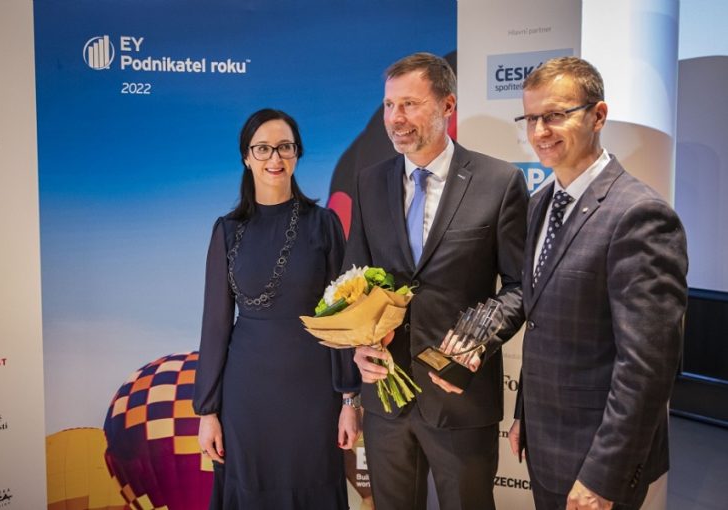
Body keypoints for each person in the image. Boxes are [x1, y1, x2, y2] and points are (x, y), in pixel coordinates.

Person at [343, 52, 528, 510]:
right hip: (386, 397)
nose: (395, 118)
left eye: (409, 104)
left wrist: (475, 341)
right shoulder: (369, 183)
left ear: (448, 106)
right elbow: (355, 283)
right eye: (389, 105)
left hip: (460, 397)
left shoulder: (499, 181)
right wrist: (358, 345)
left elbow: (521, 286)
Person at [507, 56, 688, 510]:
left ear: (598, 115)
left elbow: (647, 367)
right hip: (545, 442)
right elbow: (542, 320)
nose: (540, 131)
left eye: (555, 115)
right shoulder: (540, 203)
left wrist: (604, 476)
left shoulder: (639, 215)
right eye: (531, 118)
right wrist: (525, 413)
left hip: (596, 460)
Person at [192, 108, 361, 510]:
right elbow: (215, 325)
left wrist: (349, 400)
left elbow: (343, 321)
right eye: (263, 148)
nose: (275, 158)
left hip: (314, 393)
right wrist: (207, 412)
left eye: (285, 147)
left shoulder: (324, 224)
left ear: (297, 154)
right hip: (246, 398)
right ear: (246, 157)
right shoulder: (226, 230)